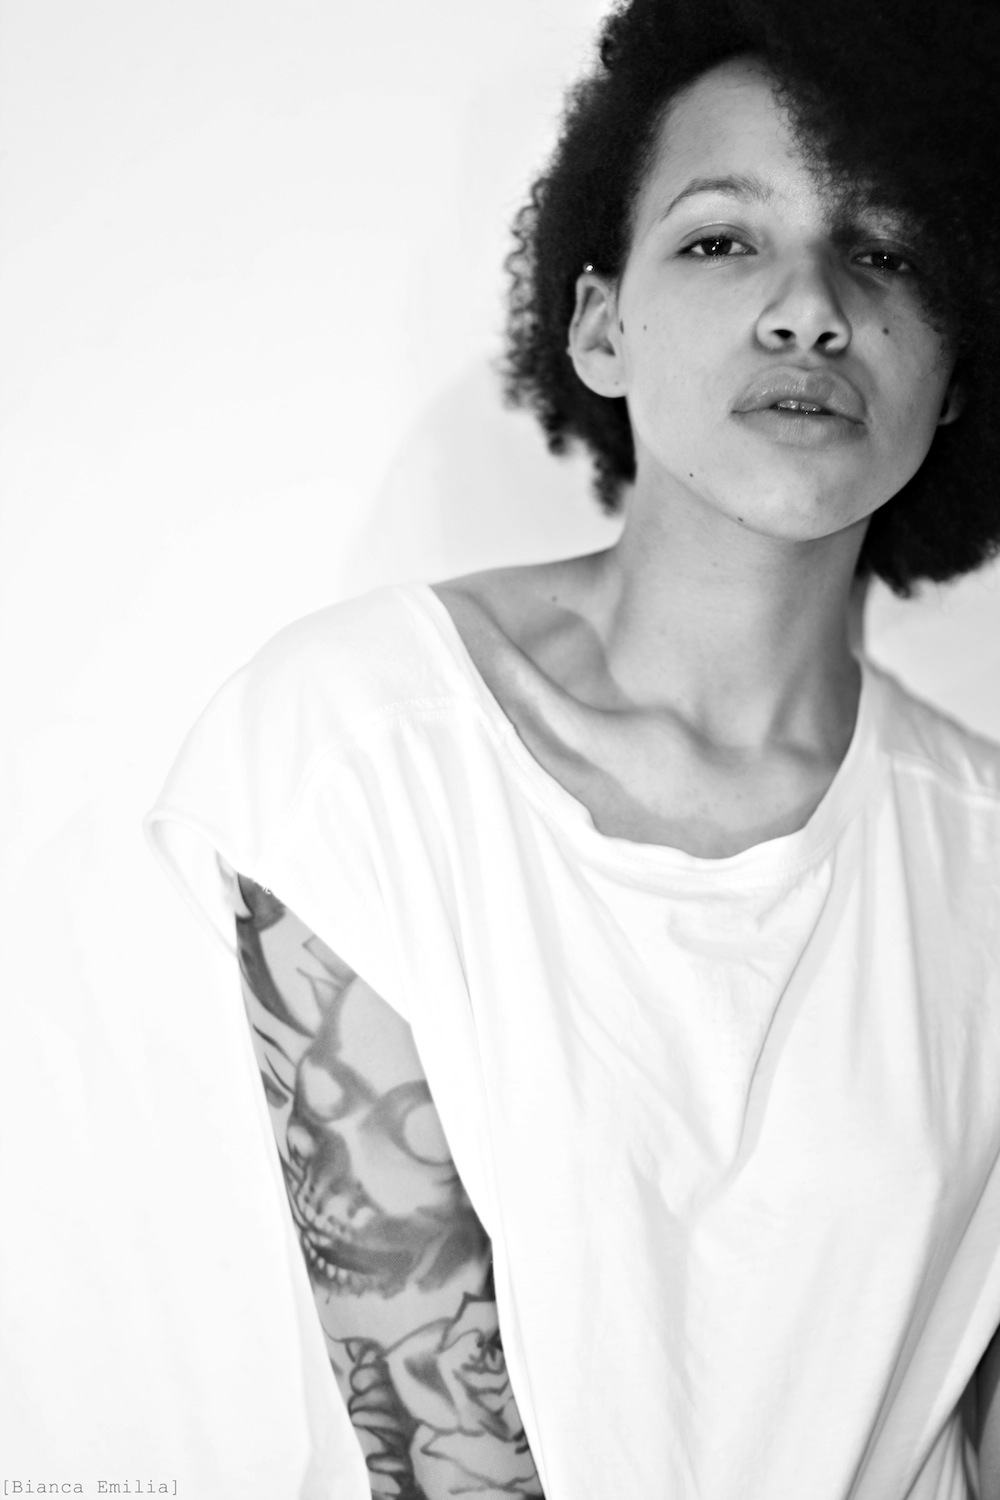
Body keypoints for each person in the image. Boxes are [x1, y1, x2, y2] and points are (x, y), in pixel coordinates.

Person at [144, 0, 1000, 1495]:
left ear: (956, 372)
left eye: (885, 252)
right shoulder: (356, 755)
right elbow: (434, 1444)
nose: (809, 309)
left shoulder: (982, 856)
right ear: (600, 326)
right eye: (723, 239)